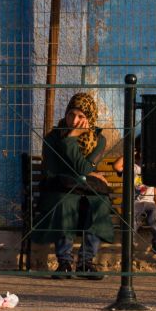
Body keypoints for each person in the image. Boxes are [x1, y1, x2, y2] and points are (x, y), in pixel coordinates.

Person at [32, 92, 113, 280]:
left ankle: (86, 262)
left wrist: (84, 171)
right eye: (71, 114)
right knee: (65, 202)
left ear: (90, 118)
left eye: (81, 116)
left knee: (100, 203)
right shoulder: (53, 137)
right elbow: (55, 171)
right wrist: (71, 139)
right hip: (57, 188)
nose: (74, 120)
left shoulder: (98, 140)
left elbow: (83, 168)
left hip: (84, 189)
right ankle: (65, 262)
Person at [113, 135, 156, 264]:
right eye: (142, 150)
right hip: (133, 202)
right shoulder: (132, 166)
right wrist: (130, 153)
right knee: (131, 220)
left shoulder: (153, 169)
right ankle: (129, 246)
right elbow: (116, 166)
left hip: (149, 203)